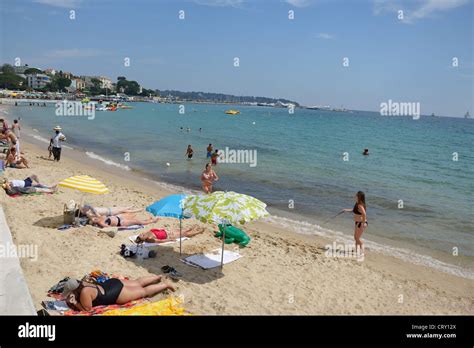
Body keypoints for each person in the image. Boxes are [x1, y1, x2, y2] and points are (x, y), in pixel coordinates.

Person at [62, 276, 175, 312]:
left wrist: (76, 303)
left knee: (143, 291)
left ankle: (165, 285)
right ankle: (157, 277)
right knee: (137, 282)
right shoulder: (83, 283)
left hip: (115, 294)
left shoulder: (84, 292)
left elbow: (87, 309)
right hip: (111, 283)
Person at [135, 226, 205, 244]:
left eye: (141, 234)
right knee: (185, 234)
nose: (143, 234)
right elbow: (160, 241)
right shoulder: (150, 239)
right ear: (144, 239)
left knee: (184, 230)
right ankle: (198, 232)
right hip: (169, 235)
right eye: (142, 236)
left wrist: (163, 229)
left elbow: (156, 230)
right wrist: (170, 239)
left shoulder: (146, 233)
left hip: (167, 231)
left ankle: (192, 229)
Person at [89, 214, 159, 228]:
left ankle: (149, 220)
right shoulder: (101, 223)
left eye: (94, 218)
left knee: (136, 219)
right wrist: (121, 227)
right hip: (121, 222)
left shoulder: (100, 217)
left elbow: (93, 211)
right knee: (137, 222)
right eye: (94, 220)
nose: (95, 219)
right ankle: (153, 221)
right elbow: (109, 227)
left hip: (119, 217)